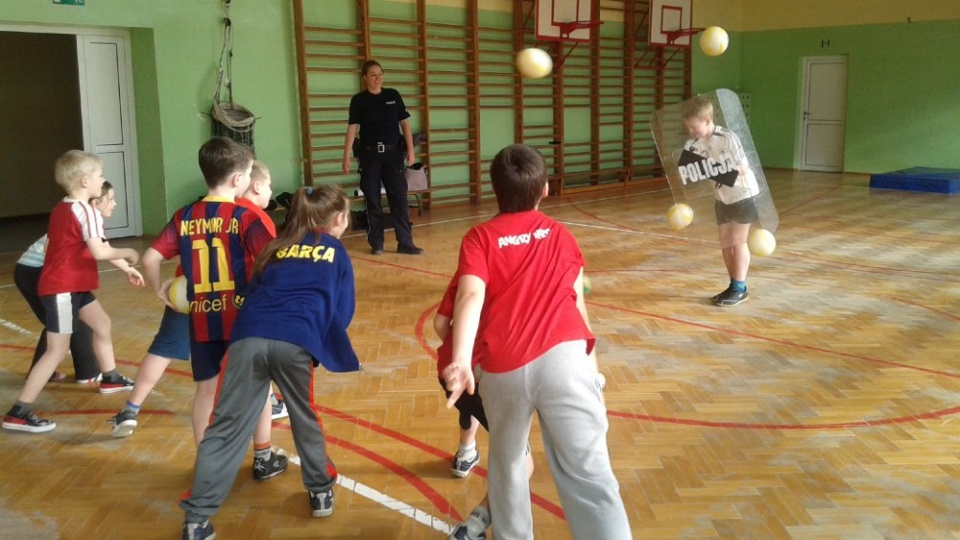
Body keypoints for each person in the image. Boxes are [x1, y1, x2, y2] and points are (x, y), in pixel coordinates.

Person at [443, 144, 631, 540]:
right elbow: (579, 309)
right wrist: (594, 377)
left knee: (508, 466)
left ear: (493, 189)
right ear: (544, 189)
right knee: (590, 472)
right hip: (567, 359)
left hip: (504, 367)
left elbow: (469, 296)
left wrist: (460, 359)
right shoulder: (562, 235)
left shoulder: (479, 238)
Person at [180, 185, 359, 540]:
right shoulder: (335, 252)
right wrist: (319, 345)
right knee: (303, 416)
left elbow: (251, 292)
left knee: (226, 426)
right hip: (295, 340)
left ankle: (196, 519)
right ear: (339, 219)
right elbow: (343, 310)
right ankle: (320, 491)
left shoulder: (274, 248)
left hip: (247, 337)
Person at [140, 137, 286, 478]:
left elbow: (150, 258)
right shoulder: (243, 217)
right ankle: (263, 457)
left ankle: (208, 466)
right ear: (238, 180)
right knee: (259, 385)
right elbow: (274, 260)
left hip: (203, 320)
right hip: (243, 320)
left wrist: (160, 290)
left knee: (206, 389)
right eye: (250, 173)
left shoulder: (185, 216)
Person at [2, 151, 140, 433]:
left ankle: (110, 377)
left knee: (101, 323)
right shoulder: (85, 210)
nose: (103, 180)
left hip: (72, 285)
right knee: (56, 350)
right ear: (86, 181)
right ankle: (19, 412)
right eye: (100, 176)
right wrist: (130, 252)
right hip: (62, 287)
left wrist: (125, 268)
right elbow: (100, 250)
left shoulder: (64, 207)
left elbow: (96, 244)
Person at [434, 277, 535, 540]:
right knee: (523, 463)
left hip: (451, 373)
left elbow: (440, 323)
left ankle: (466, 452)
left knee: (471, 401)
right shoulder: (525, 278)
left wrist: (463, 355)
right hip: (494, 379)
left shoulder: (468, 274)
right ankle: (476, 524)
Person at [15, 181, 142, 386]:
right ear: (96, 201)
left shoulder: (91, 220)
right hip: (34, 272)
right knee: (66, 325)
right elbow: (53, 252)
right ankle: (85, 374)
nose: (115, 203)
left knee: (80, 323)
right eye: (111, 199)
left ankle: (104, 377)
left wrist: (128, 269)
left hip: (54, 275)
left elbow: (104, 248)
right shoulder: (75, 219)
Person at [682, 95, 760, 306]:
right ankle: (733, 284)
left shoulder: (728, 137)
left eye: (694, 127)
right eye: (688, 127)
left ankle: (740, 287)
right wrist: (689, 171)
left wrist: (713, 170)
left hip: (742, 193)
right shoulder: (693, 144)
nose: (691, 132)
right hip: (721, 197)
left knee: (738, 241)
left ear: (708, 120)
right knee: (726, 244)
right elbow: (687, 172)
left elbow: (742, 167)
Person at [342, 59, 423, 256]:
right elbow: (352, 129)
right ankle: (376, 242)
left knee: (399, 199)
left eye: (380, 74)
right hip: (370, 156)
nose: (377, 78)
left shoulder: (392, 95)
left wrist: (411, 150)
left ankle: (405, 242)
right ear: (364, 78)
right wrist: (346, 156)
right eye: (373, 75)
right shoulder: (359, 100)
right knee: (372, 199)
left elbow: (405, 125)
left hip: (393, 154)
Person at [233, 160, 288, 420]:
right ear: (256, 186)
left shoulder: (227, 210)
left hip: (222, 296)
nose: (270, 191)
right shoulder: (255, 217)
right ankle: (267, 403)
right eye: (268, 186)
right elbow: (269, 260)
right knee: (261, 353)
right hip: (251, 298)